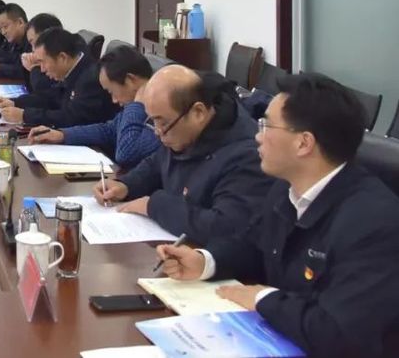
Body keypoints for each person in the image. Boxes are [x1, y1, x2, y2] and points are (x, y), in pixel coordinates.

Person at [156, 73, 399, 358]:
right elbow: (256, 246)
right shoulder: (286, 188)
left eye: (266, 125)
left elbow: (338, 333)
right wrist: (205, 261)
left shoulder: (374, 223)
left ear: (303, 143)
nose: (257, 136)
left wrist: (262, 299)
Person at [95, 65, 271, 244]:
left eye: (162, 123)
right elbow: (158, 162)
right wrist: (126, 185)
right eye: (153, 121)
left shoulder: (247, 155)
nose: (157, 132)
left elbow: (223, 227)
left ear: (198, 113)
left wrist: (154, 206)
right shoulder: (181, 128)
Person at [28, 44, 160, 169]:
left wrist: (135, 106)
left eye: (112, 91)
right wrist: (62, 135)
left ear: (130, 80)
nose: (114, 100)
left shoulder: (160, 113)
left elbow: (125, 155)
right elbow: (108, 130)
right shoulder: (139, 106)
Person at [0, 27, 116, 127]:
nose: (42, 69)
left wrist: (25, 115)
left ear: (62, 57)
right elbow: (52, 98)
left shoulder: (90, 79)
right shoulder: (73, 68)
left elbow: (71, 118)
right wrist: (16, 103)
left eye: (43, 62)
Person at [16, 12, 62, 96]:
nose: (33, 49)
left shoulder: (60, 60)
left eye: (33, 42)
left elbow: (45, 93)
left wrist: (33, 68)